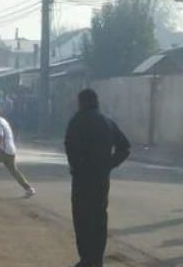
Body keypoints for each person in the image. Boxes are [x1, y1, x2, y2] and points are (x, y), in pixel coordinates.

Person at [65, 88, 131, 267]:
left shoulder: (76, 121)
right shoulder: (107, 122)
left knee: (81, 217)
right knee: (99, 217)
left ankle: (86, 258)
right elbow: (125, 147)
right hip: (101, 179)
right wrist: (109, 164)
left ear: (81, 102)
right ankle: (97, 259)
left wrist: (76, 166)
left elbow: (69, 147)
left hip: (81, 178)